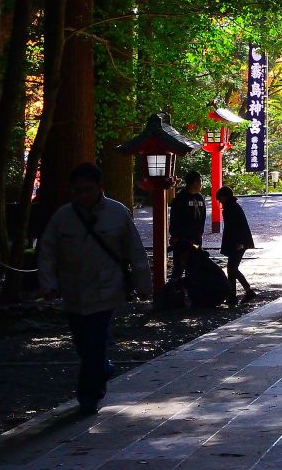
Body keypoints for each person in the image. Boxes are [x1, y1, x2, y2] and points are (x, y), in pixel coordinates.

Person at [38, 163, 152, 415]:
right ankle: (102, 368)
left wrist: (145, 285)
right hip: (73, 290)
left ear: (100, 187)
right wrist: (48, 284)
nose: (83, 196)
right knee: (82, 343)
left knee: (95, 342)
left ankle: (89, 395)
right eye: (77, 191)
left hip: (106, 290)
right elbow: (47, 251)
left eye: (88, 189)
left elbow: (135, 251)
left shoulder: (117, 213)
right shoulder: (63, 217)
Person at [217, 186, 256, 305]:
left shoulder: (230, 209)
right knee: (232, 269)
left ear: (225, 197)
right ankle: (240, 293)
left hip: (237, 243)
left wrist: (239, 243)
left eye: (220, 199)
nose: (220, 202)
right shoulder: (233, 207)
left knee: (232, 269)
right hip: (239, 242)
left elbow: (234, 228)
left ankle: (234, 296)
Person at [169, 171, 207, 280]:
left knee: (194, 266)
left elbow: (203, 217)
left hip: (196, 238)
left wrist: (200, 232)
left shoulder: (200, 197)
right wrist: (175, 236)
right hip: (182, 239)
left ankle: (192, 292)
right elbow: (175, 218)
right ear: (195, 182)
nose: (201, 183)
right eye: (200, 181)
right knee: (179, 267)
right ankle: (175, 292)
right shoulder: (180, 198)